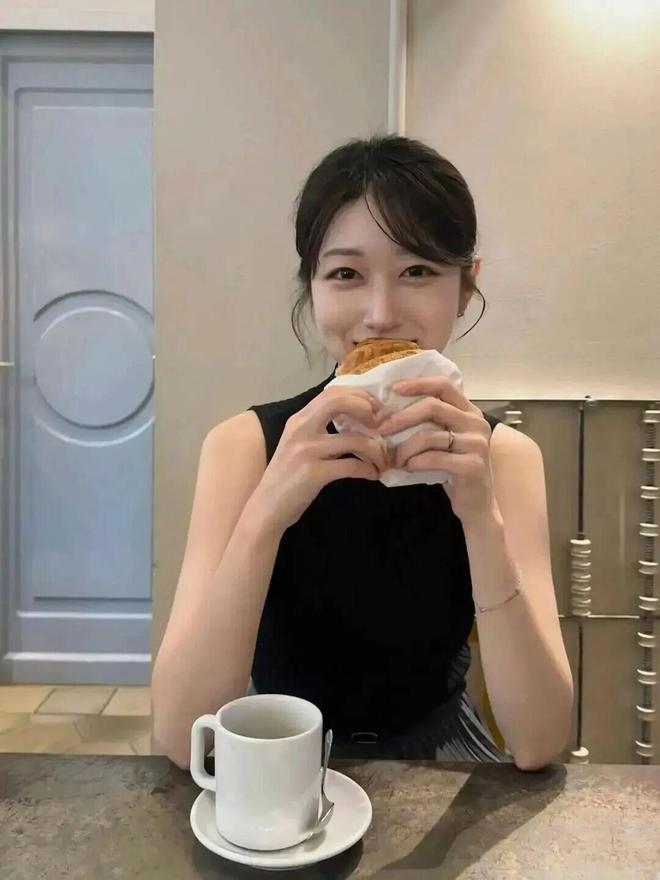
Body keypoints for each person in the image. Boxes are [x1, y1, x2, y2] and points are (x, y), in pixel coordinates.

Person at [152, 135, 573, 770]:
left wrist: (481, 520)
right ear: (312, 285)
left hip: (439, 749)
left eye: (418, 271)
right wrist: (266, 514)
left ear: (466, 287)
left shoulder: (504, 458)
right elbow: (181, 737)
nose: (380, 314)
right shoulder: (244, 447)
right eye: (346, 274)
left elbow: (540, 742)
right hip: (274, 748)